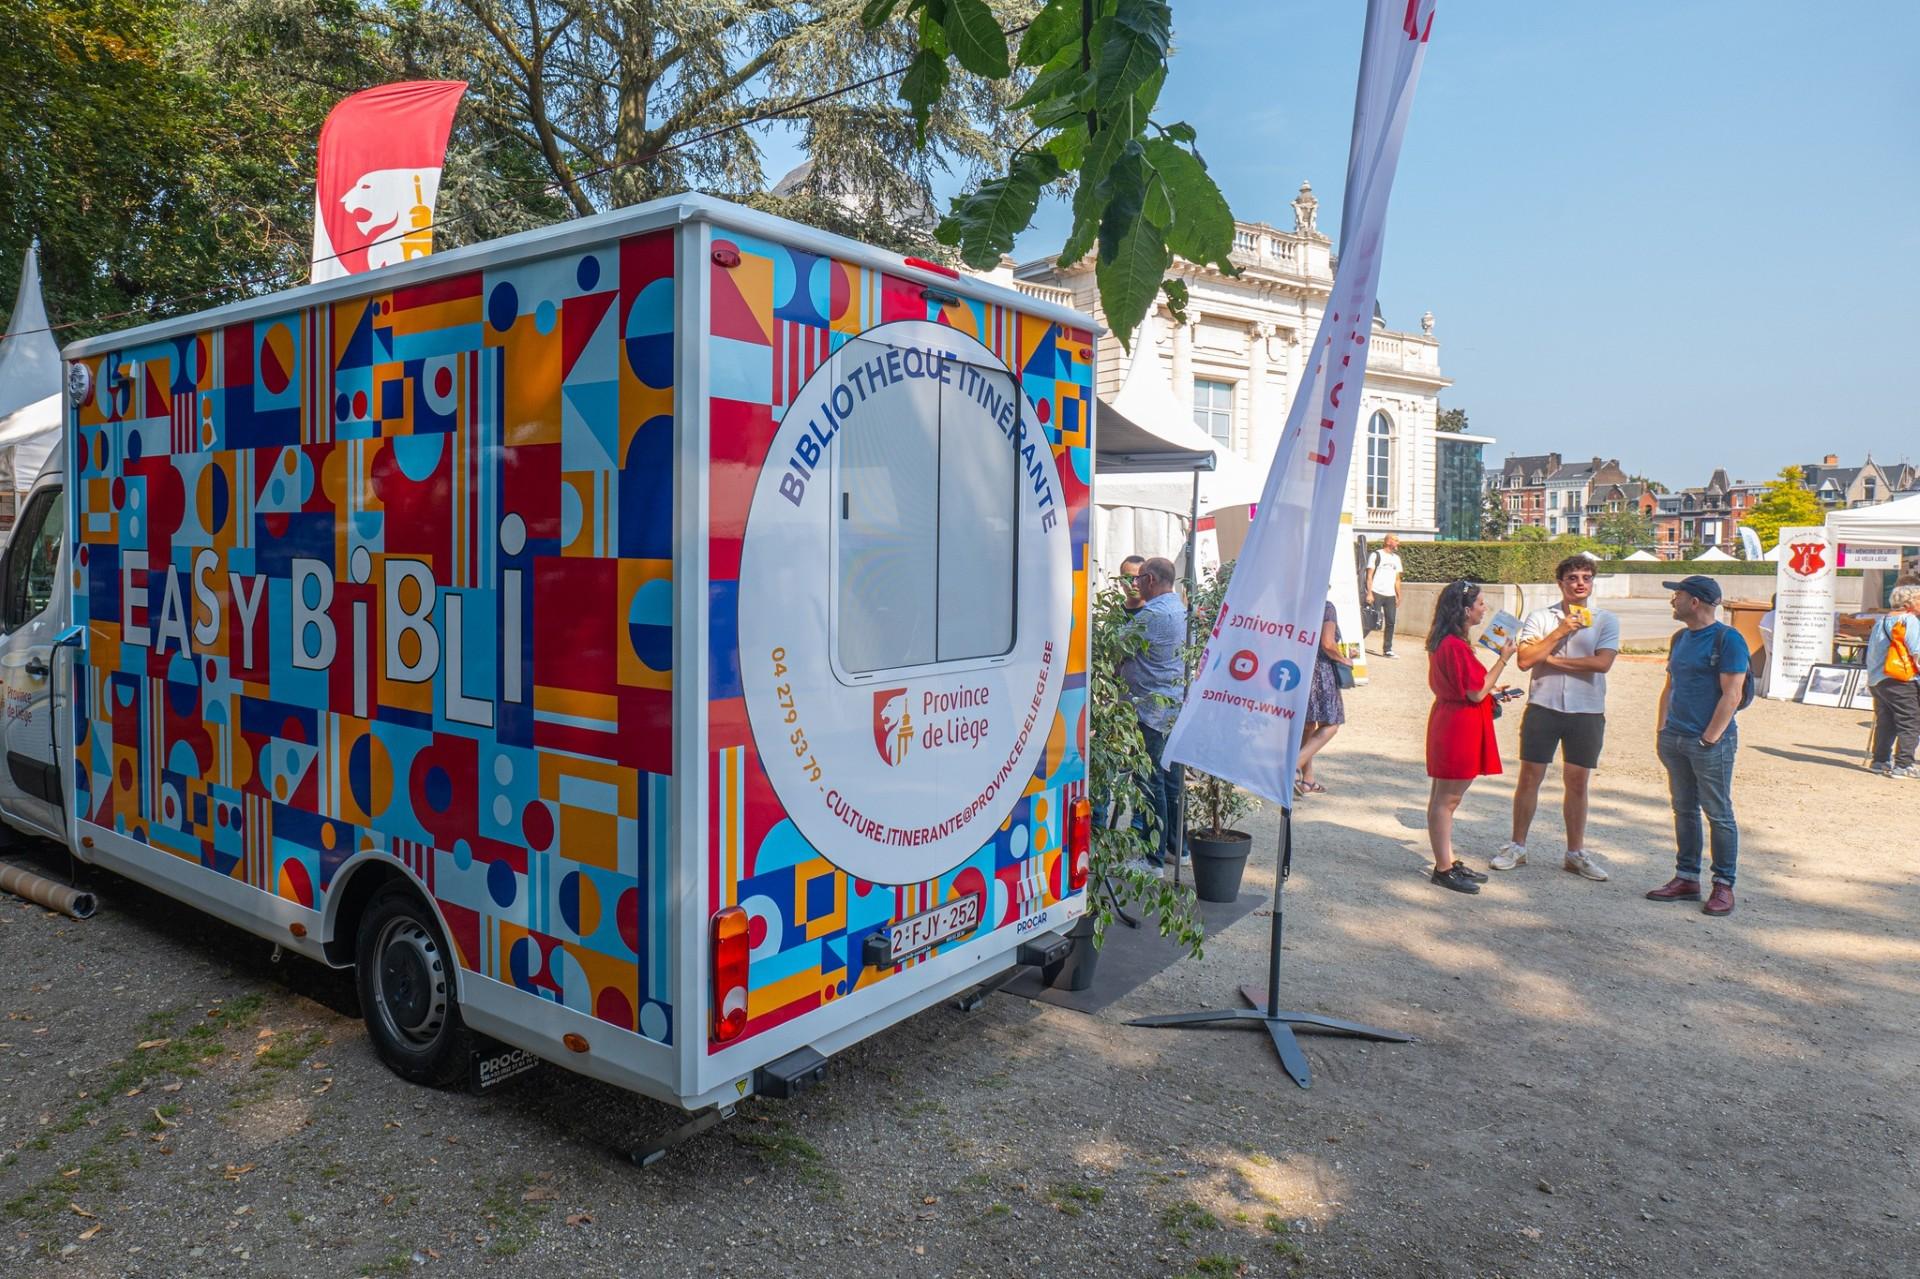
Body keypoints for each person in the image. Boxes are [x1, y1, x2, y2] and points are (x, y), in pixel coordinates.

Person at [1493, 556, 1619, 882]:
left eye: (1586, 578)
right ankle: (1517, 846)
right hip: (1544, 705)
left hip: (1587, 709)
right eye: (1573, 577)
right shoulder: (1541, 618)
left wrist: (1550, 660)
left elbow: (1602, 664)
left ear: (1592, 583)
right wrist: (1560, 632)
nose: (1580, 583)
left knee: (1578, 782)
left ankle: (1575, 852)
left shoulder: (1605, 620)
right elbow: (1524, 661)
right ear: (1561, 583)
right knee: (1529, 777)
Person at [1647, 576, 1749, 918]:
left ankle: (1723, 884)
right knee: (1684, 810)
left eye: (1677, 595)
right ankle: (1687, 877)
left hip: (1710, 742)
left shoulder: (1728, 639)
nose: (1671, 601)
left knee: (1718, 813)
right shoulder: (1679, 638)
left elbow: (1732, 694)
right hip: (1675, 737)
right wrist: (1663, 729)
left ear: (1695, 602)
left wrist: (1709, 738)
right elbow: (1670, 685)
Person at [1423, 580, 1517, 894]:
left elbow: (1472, 686)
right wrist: (1503, 659)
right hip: (1459, 725)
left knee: (1441, 798)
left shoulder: (1445, 641)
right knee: (1447, 801)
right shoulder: (1455, 645)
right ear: (1465, 609)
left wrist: (1492, 688)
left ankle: (1446, 859)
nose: (1483, 609)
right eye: (1479, 604)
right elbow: (1476, 691)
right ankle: (1443, 867)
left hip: (1451, 720)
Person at [1116, 557, 1187, 867]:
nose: (1134, 584)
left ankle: (1152, 859)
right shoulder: (1180, 609)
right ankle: (1175, 848)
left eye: (1139, 578)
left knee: (1150, 781)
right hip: (1172, 706)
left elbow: (1114, 648)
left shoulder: (1152, 615)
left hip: (1150, 710)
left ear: (1151, 580)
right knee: (1170, 780)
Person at [1296, 599, 1351, 797]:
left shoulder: (1294, 603)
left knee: (1308, 725)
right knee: (1332, 724)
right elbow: (1327, 643)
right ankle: (1294, 766)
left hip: (1297, 669)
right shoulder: (1325, 607)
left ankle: (1307, 780)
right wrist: (1343, 659)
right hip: (1320, 672)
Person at [1865, 584, 1920, 778]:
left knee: (1886, 721)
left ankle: (1880, 760)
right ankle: (1904, 764)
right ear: (1909, 603)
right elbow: (1917, 652)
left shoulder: (1882, 620)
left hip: (1878, 679)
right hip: (1901, 679)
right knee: (1910, 721)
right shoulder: (1909, 620)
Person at [1366, 535, 1405, 658]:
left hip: (1390, 595)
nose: (1398, 543)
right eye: (1396, 540)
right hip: (1376, 593)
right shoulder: (1376, 555)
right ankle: (1356, 642)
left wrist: (1399, 595)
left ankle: (1387, 649)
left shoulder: (1396, 559)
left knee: (1391, 622)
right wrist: (1369, 592)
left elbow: (1397, 579)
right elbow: (1369, 576)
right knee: (1370, 621)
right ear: (1388, 541)